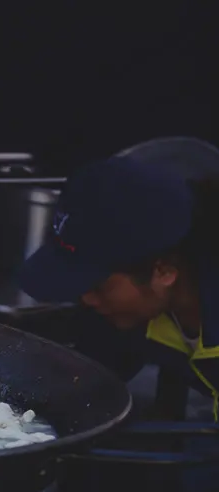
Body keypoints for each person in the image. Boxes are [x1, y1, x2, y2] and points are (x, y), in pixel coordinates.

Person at [20, 156, 219, 420]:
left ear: (163, 271)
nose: (87, 298)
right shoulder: (134, 310)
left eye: (98, 284)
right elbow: (73, 381)